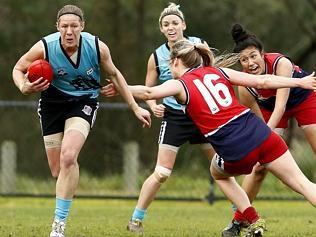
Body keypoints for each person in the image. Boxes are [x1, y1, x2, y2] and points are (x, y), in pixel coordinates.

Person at [116, 39, 316, 236]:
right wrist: (300, 81)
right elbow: (262, 80)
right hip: (263, 135)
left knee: (218, 173)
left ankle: (254, 219)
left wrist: (120, 86)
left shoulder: (179, 85)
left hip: (235, 147)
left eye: (170, 65)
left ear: (176, 62)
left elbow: (149, 92)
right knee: (303, 184)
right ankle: (251, 221)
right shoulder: (219, 71)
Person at [12, 5, 151, 237]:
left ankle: (58, 226)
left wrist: (136, 107)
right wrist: (23, 86)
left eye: (74, 26)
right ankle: (68, 186)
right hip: (52, 104)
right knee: (58, 171)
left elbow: (115, 75)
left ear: (82, 27)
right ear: (57, 27)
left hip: (83, 102)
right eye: (64, 26)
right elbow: (18, 68)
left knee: (69, 156)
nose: (69, 31)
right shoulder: (45, 46)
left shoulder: (97, 47)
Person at [102, 3, 215, 233]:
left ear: (183, 25)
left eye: (175, 23)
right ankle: (136, 220)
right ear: (161, 29)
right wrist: (153, 106)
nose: (171, 27)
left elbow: (213, 73)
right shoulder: (156, 56)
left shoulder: (198, 45)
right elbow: (148, 89)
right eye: (166, 24)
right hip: (175, 117)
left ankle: (241, 214)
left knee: (222, 167)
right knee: (162, 172)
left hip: (201, 114)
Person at [221, 23, 316, 237]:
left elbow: (282, 105)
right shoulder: (245, 86)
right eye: (244, 60)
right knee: (258, 168)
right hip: (270, 109)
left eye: (253, 56)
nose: (250, 63)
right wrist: (259, 146)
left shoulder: (280, 63)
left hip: (302, 99)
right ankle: (239, 221)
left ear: (262, 54)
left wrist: (265, 139)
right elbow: (256, 122)